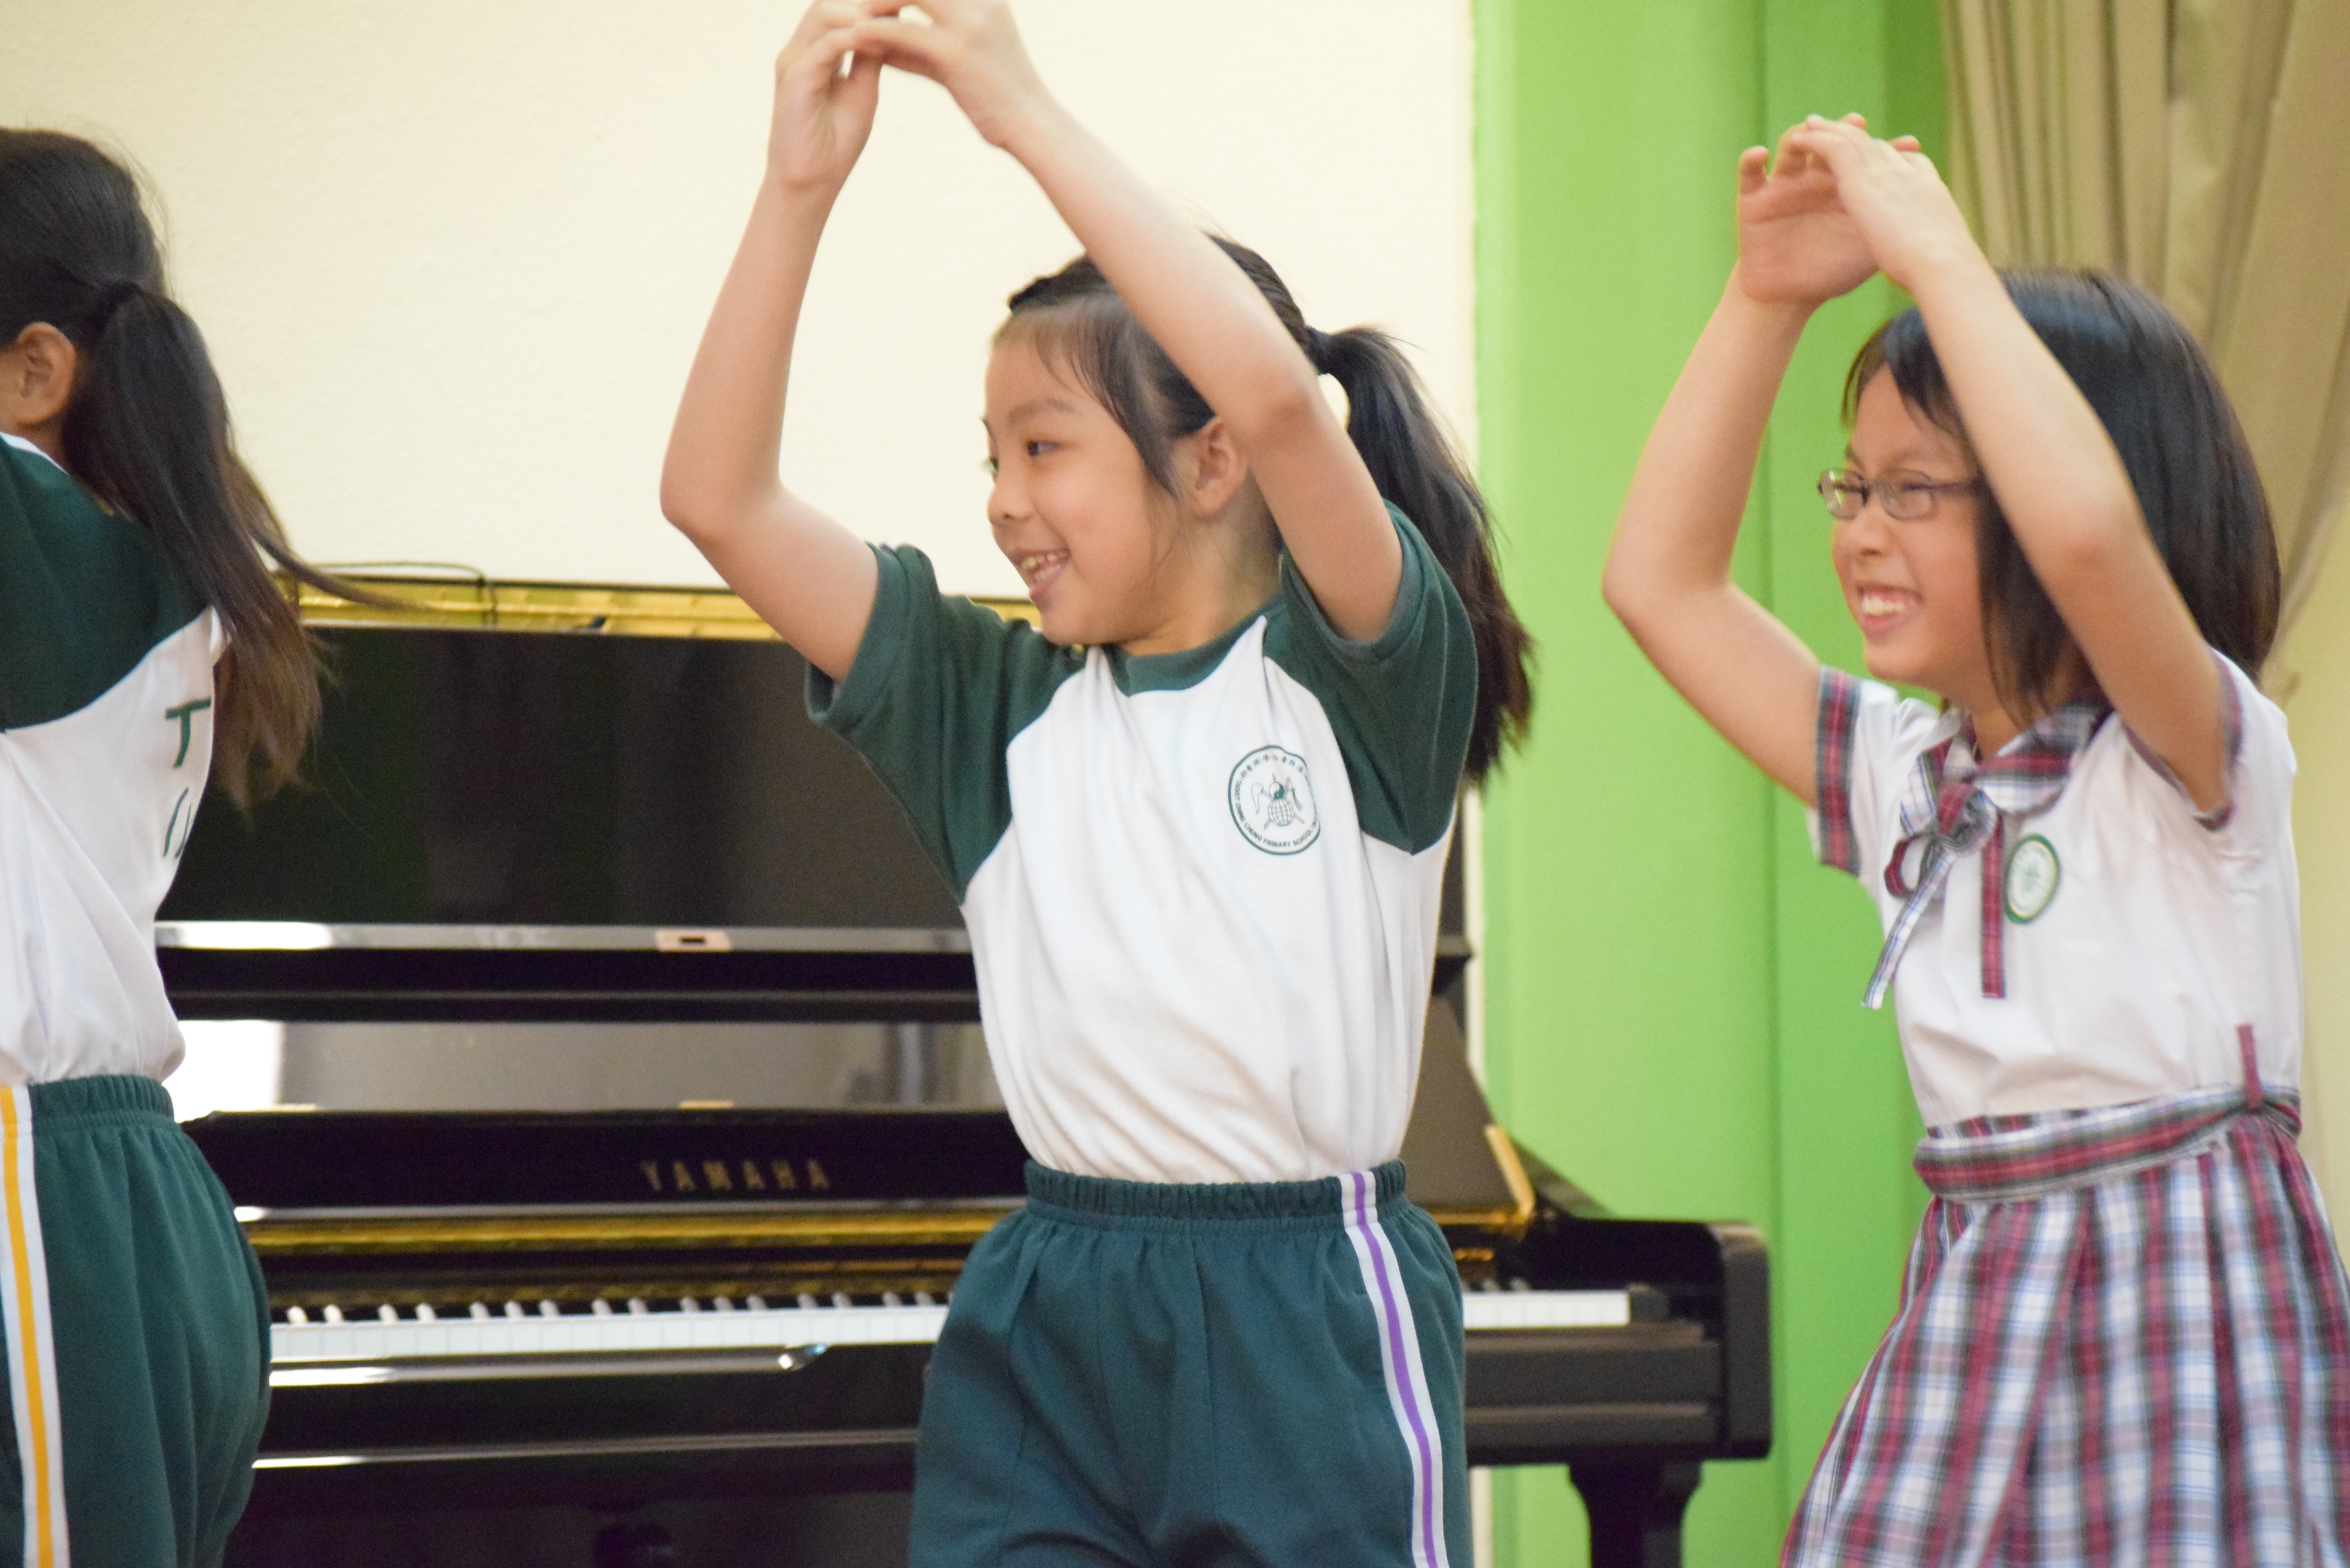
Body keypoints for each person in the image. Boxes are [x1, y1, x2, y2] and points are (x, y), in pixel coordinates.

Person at [660, 3, 1531, 1562]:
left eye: (1045, 449)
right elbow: (715, 499)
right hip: (1053, 1302)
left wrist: (1023, 114)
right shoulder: (991, 711)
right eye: (990, 456)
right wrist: (798, 189)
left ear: (1210, 463)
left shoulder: (1358, 676)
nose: (1003, 503)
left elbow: (1280, 401)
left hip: (1305, 1311)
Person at [1604, 112, 2350, 1563]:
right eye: (1855, 486)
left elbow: (2086, 543)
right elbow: (1662, 584)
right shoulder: (1905, 772)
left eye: (1916, 490)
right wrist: (1763, 297)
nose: (1861, 533)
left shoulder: (2191, 754)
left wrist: (1940, 259)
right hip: (1978, 1303)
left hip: (2178, 1319)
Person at [0, 130, 349, 1565]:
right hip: (103, 1197)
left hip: (39, 1198)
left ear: (35, 372)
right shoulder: (133, 561)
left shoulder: (42, 542)